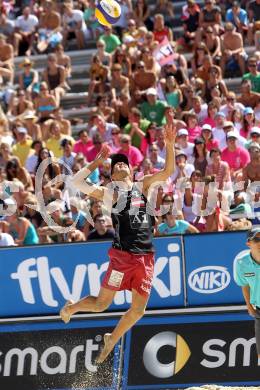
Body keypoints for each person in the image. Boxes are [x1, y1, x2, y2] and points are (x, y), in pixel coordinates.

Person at [60, 120, 176, 364]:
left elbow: (167, 172)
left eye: (125, 162)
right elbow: (77, 183)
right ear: (112, 174)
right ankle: (71, 308)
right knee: (102, 305)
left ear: (132, 171)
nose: (121, 163)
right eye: (116, 164)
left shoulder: (142, 185)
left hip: (145, 257)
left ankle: (112, 339)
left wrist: (170, 144)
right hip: (122, 257)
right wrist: (96, 162)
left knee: (138, 310)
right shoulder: (110, 192)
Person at [234, 227, 260, 365]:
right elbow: (244, 284)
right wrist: (249, 305)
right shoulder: (241, 263)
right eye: (257, 239)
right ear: (248, 243)